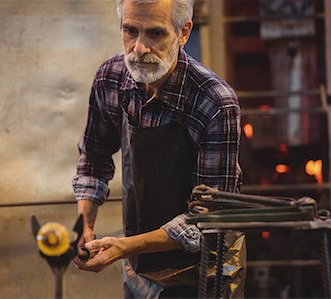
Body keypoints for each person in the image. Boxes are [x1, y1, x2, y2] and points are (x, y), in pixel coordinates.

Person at [72, 0, 245, 297]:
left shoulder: (214, 102)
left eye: (155, 34)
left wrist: (124, 246)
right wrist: (84, 225)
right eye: (130, 31)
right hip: (139, 262)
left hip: (206, 268)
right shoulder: (111, 78)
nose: (138, 48)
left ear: (183, 32)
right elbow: (94, 158)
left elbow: (208, 217)